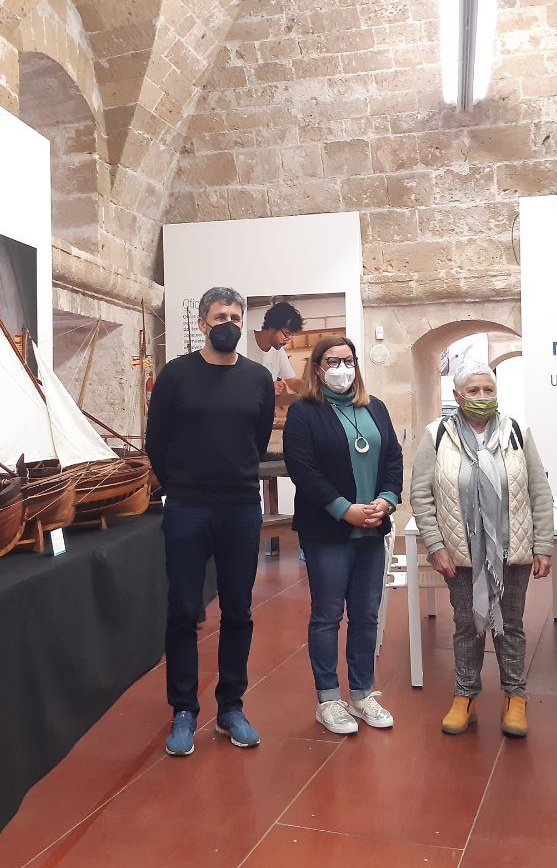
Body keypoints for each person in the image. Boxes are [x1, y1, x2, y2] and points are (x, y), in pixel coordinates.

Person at [145, 286, 275, 757]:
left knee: (238, 610)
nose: (230, 323)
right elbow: (155, 440)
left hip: (240, 505)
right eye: (221, 315)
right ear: (202, 323)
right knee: (183, 610)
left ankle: (230, 707)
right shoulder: (176, 376)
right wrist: (179, 484)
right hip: (186, 506)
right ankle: (183, 709)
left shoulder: (259, 379)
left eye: (237, 317)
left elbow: (256, 441)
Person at [410, 360, 553, 739]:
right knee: (466, 625)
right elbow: (421, 494)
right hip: (461, 552)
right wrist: (436, 545)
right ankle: (465, 696)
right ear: (457, 396)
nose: (481, 397)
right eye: (472, 391)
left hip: (511, 548)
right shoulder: (437, 434)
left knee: (511, 626)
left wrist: (543, 545)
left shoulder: (517, 432)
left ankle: (515, 696)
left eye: (488, 390)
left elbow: (539, 490)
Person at [282, 337, 403, 735]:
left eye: (348, 361)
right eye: (332, 361)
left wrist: (385, 500)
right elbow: (303, 470)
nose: (342, 368)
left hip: (372, 527)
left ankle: (363, 693)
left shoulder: (376, 408)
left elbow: (393, 459)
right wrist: (344, 510)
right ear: (317, 368)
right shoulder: (304, 413)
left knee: (366, 616)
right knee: (327, 615)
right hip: (328, 531)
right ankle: (329, 699)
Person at [248, 301, 305, 397]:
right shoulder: (243, 341)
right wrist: (266, 388)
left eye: (291, 336)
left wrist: (314, 388)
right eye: (286, 334)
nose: (287, 341)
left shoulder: (278, 352)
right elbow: (233, 383)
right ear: (272, 326)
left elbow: (292, 382)